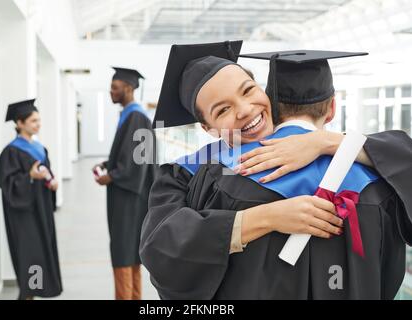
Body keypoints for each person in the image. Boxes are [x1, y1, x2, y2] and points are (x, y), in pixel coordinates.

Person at [140, 42, 412, 299]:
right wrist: (265, 217)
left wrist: (324, 142)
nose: (245, 110)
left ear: (268, 96)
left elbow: (172, 267)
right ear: (208, 128)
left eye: (247, 90)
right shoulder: (378, 176)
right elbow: (161, 246)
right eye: (223, 109)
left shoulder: (207, 179)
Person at [93, 67, 157, 300]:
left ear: (128, 89)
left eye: (115, 87)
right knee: (130, 252)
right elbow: (129, 154)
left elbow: (136, 163)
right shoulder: (130, 115)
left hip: (129, 196)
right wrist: (107, 163)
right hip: (131, 195)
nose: (111, 91)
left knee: (122, 250)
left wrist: (111, 176)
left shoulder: (136, 116)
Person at [0, 99, 62, 300]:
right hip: (23, 215)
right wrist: (29, 178)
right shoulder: (10, 152)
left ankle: (33, 294)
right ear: (19, 123)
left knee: (41, 255)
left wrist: (51, 184)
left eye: (39, 120)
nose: (38, 124)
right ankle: (27, 296)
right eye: (33, 121)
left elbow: (45, 174)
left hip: (41, 210)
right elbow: (8, 185)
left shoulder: (40, 148)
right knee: (30, 257)